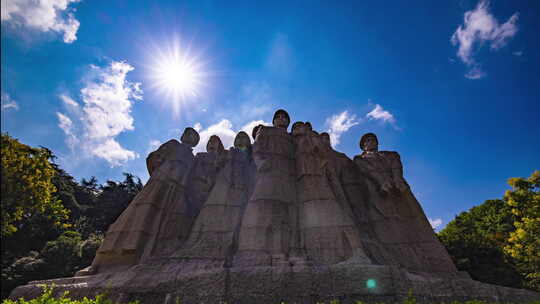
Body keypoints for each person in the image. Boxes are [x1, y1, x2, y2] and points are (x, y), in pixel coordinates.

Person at [79, 127, 200, 274]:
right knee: (140, 214)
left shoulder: (193, 159)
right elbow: (154, 158)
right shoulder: (173, 144)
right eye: (188, 134)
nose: (189, 137)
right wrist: (161, 173)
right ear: (183, 135)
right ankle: (105, 262)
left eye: (193, 136)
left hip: (177, 190)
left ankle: (148, 258)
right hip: (160, 181)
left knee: (163, 223)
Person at [354, 133, 457, 273]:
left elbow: (396, 166)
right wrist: (382, 182)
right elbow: (368, 171)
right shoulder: (360, 159)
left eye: (373, 140)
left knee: (416, 222)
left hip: (400, 190)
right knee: (388, 225)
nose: (371, 142)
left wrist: (397, 180)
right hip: (379, 192)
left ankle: (434, 263)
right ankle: (400, 262)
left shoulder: (391, 155)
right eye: (367, 141)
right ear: (363, 146)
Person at [235, 109, 297, 266]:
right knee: (260, 205)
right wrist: (259, 161)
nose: (281, 119)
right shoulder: (266, 130)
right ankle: (250, 249)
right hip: (268, 171)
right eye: (278, 117)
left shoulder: (292, 138)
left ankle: (279, 251)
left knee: (282, 213)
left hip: (287, 174)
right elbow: (257, 148)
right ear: (274, 120)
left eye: (284, 117)